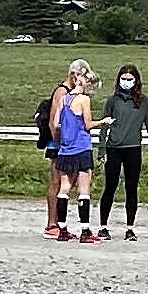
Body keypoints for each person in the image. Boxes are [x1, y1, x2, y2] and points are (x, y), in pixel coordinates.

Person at [94, 63, 148, 239]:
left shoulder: (143, 102)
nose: (126, 82)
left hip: (133, 148)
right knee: (110, 186)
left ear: (136, 81)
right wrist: (102, 149)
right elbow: (104, 126)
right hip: (114, 148)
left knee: (131, 188)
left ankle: (129, 227)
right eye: (123, 79)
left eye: (130, 79)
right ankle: (103, 226)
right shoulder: (113, 101)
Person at [44, 62, 101, 243]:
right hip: (81, 147)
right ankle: (85, 230)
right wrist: (104, 122)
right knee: (84, 189)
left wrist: (62, 141)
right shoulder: (84, 100)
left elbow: (57, 123)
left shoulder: (63, 99)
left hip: (65, 149)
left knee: (64, 188)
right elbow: (87, 124)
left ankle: (62, 229)